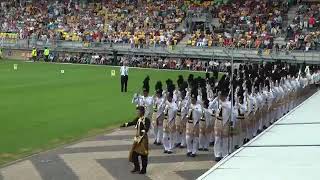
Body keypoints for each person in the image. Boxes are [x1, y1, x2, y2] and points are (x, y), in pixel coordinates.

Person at [120, 106, 151, 174]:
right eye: (137, 111)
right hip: (137, 138)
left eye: (138, 111)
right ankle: (137, 167)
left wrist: (143, 132)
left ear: (142, 112)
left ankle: (144, 169)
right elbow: (132, 122)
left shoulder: (146, 120)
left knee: (143, 155)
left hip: (143, 139)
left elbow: (147, 128)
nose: (137, 113)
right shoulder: (138, 119)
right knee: (134, 153)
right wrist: (124, 125)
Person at [152, 81, 165, 145]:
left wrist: (161, 103)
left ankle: (159, 140)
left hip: (160, 114)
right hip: (154, 113)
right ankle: (156, 138)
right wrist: (154, 97)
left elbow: (163, 107)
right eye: (157, 93)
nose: (157, 94)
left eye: (158, 93)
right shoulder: (155, 98)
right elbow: (152, 103)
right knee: (154, 127)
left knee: (160, 127)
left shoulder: (163, 99)